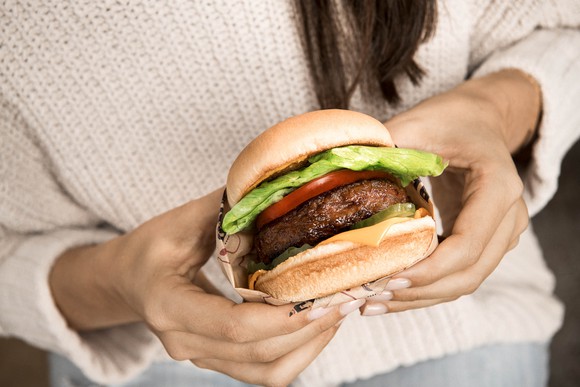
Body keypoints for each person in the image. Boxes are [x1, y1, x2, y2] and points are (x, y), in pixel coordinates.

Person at [0, 1, 578, 386]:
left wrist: (496, 108)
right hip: (165, 365)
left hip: (471, 323)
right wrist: (118, 282)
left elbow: (562, 26)